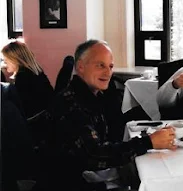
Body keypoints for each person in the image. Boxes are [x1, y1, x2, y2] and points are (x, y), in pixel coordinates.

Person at [50, 39, 176, 191]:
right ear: (80, 67)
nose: (108, 72)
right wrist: (148, 142)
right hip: (76, 182)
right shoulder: (71, 103)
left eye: (110, 66)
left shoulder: (94, 96)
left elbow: (113, 130)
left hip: (93, 175)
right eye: (100, 65)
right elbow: (94, 155)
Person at [1, 40, 54, 137]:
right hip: (46, 119)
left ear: (15, 60)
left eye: (6, 59)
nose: (4, 63)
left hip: (35, 125)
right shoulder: (34, 71)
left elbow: (20, 108)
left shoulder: (23, 77)